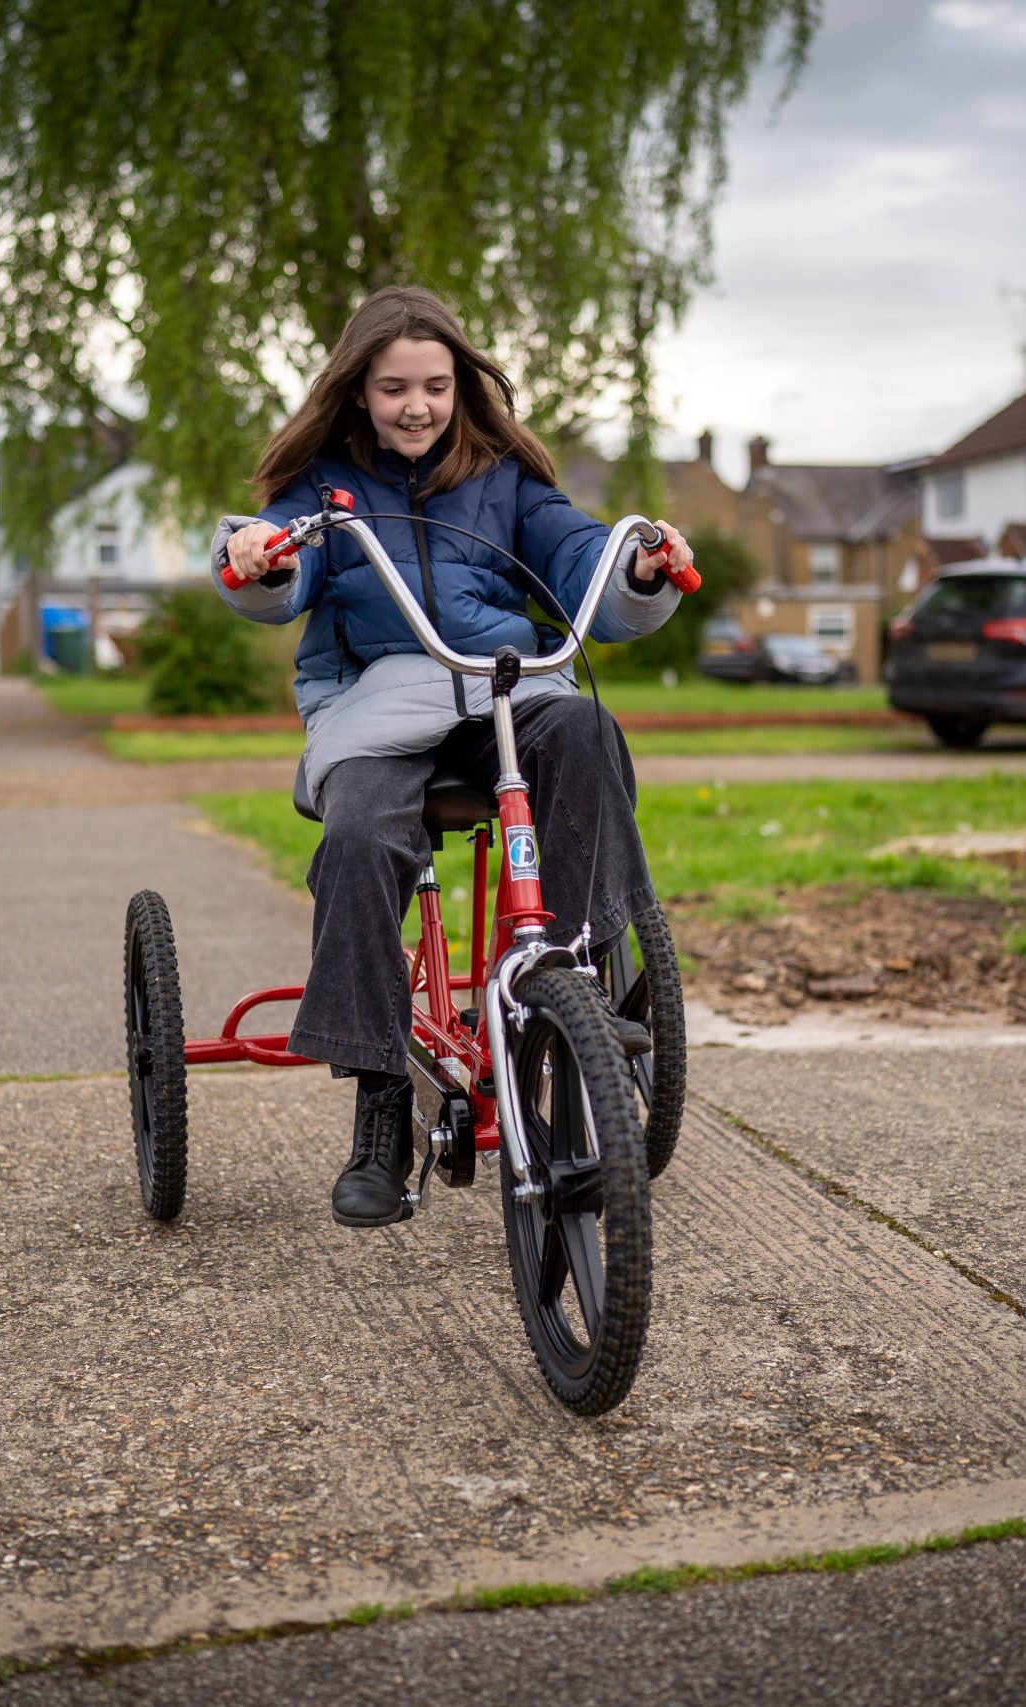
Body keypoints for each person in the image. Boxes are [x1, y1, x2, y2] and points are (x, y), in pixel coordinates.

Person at [214, 285, 691, 1228]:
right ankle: (382, 1103)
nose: (417, 406)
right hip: (376, 704)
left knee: (586, 732)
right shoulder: (324, 485)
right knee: (360, 835)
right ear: (359, 392)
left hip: (499, 687)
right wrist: (262, 558)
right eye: (394, 388)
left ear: (461, 385)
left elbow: (576, 555)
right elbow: (279, 563)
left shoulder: (504, 478)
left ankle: (581, 974)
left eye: (435, 385)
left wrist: (633, 567)